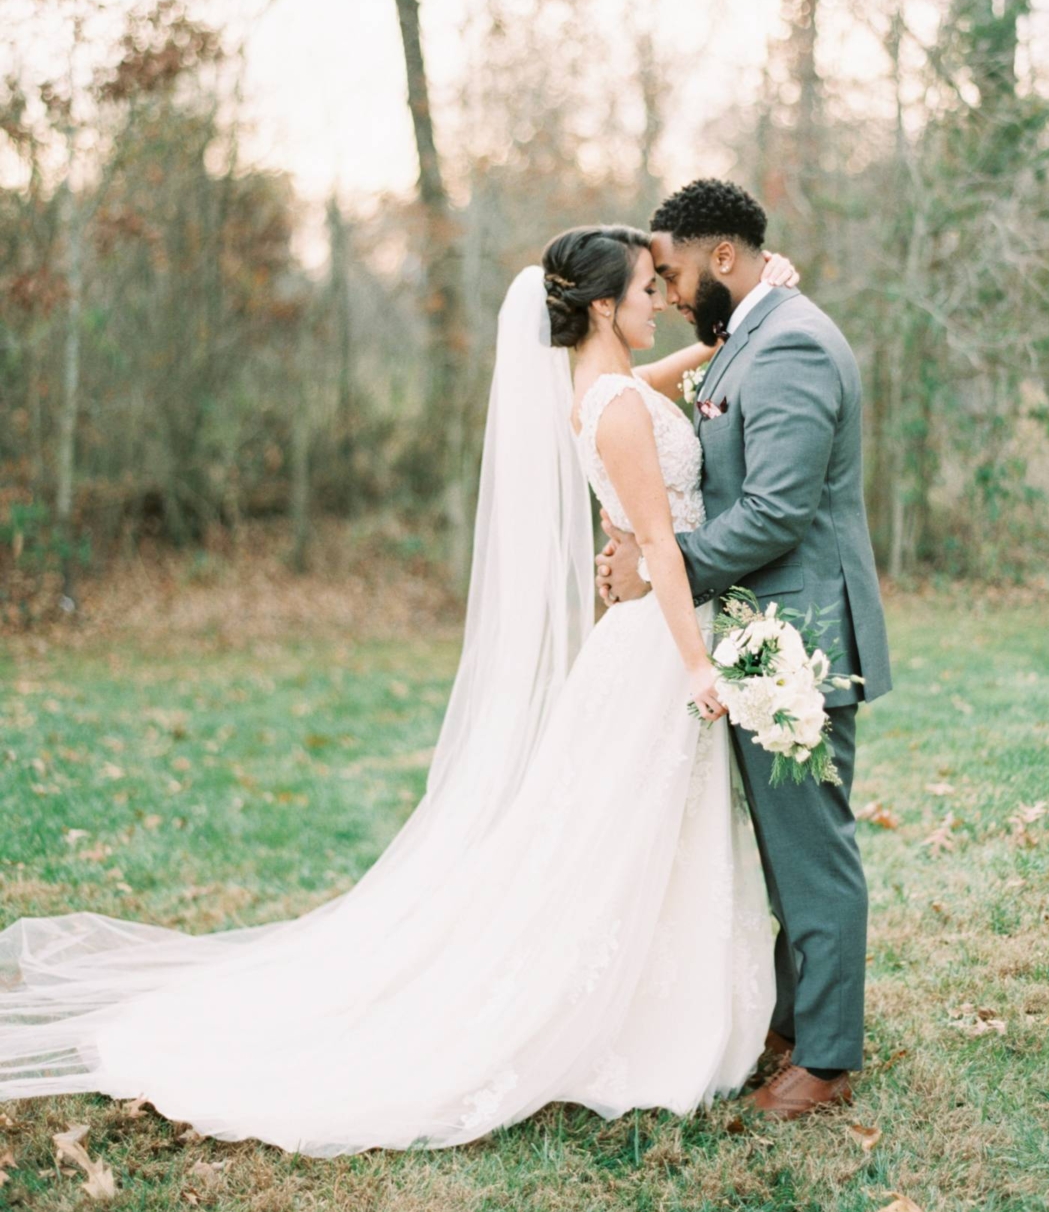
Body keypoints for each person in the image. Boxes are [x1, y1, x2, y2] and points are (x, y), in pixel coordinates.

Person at [0, 220, 802, 1157]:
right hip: (664, 644)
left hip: (640, 640)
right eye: (644, 290)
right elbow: (661, 544)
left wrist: (726, 333)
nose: (659, 299)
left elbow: (647, 402)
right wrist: (699, 664)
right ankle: (637, 1020)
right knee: (626, 833)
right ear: (600, 306)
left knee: (635, 831)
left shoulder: (601, 388)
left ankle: (668, 1000)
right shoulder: (616, 403)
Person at [596, 180, 892, 1118]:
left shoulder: (795, 342)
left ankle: (830, 1058)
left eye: (677, 272)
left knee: (813, 850)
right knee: (781, 846)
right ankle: (795, 1023)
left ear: (723, 257)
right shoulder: (753, 335)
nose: (672, 290)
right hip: (760, 626)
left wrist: (660, 565)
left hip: (799, 633)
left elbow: (777, 510)